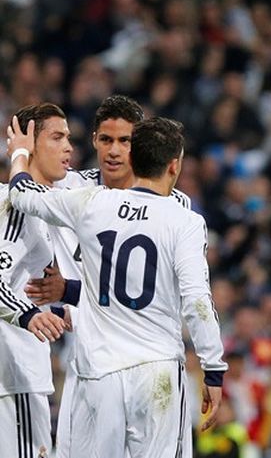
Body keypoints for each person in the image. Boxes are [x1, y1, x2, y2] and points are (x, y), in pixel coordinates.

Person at [6, 115, 227, 457]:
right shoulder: (184, 219)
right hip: (157, 371)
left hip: (101, 373)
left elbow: (22, 193)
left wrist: (20, 153)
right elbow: (197, 301)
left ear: (134, 159)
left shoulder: (92, 203)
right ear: (174, 165)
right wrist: (213, 369)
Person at [0, 103, 70, 458]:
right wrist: (29, 315)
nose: (68, 148)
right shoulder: (18, 205)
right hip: (15, 375)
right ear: (30, 143)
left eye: (69, 138)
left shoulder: (41, 207)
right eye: (57, 137)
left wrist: (62, 310)